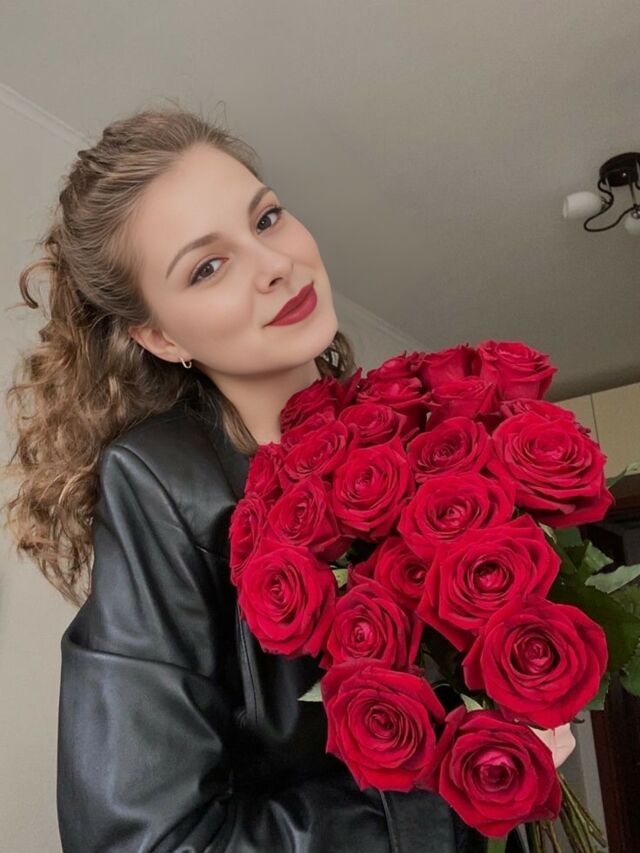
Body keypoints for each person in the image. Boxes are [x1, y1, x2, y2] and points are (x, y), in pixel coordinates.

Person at [3, 104, 532, 852]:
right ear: (161, 335)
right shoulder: (162, 482)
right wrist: (442, 802)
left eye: (267, 218)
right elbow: (146, 841)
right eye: (207, 267)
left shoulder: (409, 430)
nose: (275, 263)